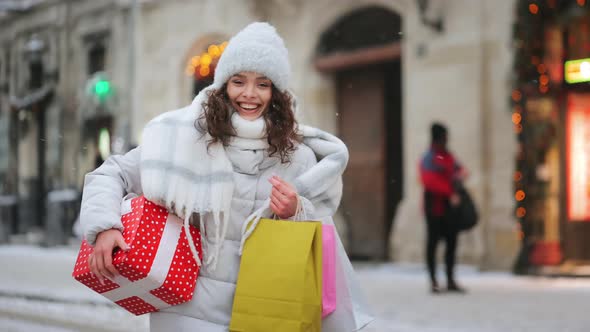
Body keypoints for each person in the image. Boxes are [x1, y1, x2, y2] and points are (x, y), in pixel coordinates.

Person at [79, 22, 373, 331]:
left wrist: (296, 210)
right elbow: (110, 173)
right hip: (185, 309)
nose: (249, 94)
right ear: (223, 85)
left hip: (263, 311)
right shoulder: (183, 138)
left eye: (263, 84)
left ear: (277, 92)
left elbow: (316, 236)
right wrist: (104, 228)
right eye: (238, 81)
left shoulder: (297, 155)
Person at [419, 122, 468, 294]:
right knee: (433, 244)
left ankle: (449, 279)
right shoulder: (429, 157)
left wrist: (459, 175)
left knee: (451, 244)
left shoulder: (447, 156)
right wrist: (450, 192)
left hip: (449, 209)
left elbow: (461, 170)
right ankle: (433, 281)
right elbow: (429, 180)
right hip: (435, 207)